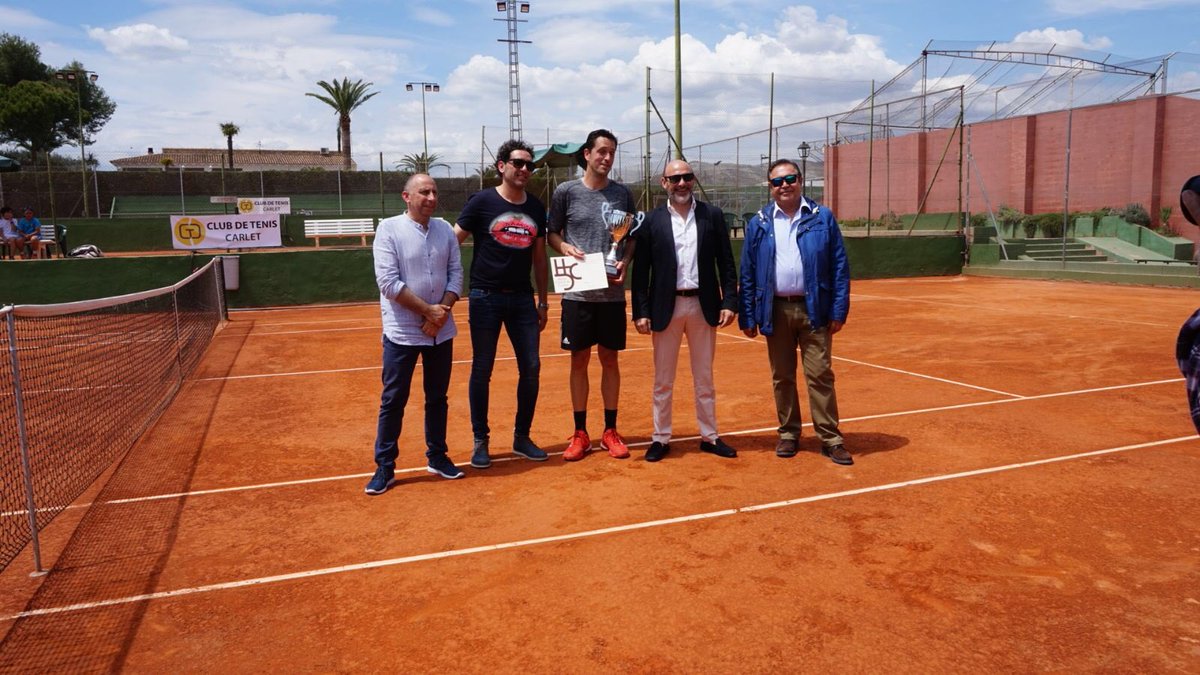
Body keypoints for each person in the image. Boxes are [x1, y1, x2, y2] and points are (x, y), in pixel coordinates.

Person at [738, 159, 853, 465]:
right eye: (777, 182)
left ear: (800, 181)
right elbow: (748, 271)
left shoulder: (821, 217)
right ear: (770, 187)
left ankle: (830, 438)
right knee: (782, 377)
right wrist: (748, 315)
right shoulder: (759, 222)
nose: (784, 185)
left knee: (820, 375)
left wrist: (838, 309)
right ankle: (789, 434)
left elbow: (839, 266)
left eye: (789, 179)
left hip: (814, 308)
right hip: (774, 310)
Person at [631, 160, 739, 462]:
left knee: (704, 377)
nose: (682, 183)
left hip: (703, 306)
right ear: (664, 183)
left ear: (693, 180)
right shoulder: (651, 221)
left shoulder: (712, 216)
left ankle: (710, 436)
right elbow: (641, 272)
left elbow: (726, 263)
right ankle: (660, 438)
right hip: (665, 307)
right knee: (663, 379)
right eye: (675, 178)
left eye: (687, 177)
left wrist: (730, 301)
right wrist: (640, 310)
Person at [365, 174, 464, 495]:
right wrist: (428, 311)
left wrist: (441, 312)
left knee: (437, 399)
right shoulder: (388, 229)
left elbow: (456, 274)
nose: (431, 197)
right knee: (393, 399)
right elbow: (389, 283)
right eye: (424, 192)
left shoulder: (445, 230)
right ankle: (385, 466)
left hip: (441, 330)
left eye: (434, 191)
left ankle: (437, 457)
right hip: (402, 333)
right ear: (406, 196)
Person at [454, 139, 550, 469]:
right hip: (485, 298)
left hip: (523, 300)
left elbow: (540, 258)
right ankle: (481, 441)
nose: (525, 169)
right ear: (502, 166)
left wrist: (543, 302)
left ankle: (522, 438)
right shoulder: (481, 202)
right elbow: (453, 240)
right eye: (518, 163)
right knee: (482, 369)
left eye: (530, 165)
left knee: (532, 368)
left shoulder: (536, 208)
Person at [547, 128, 638, 461]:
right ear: (587, 154)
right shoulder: (565, 191)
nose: (607, 158)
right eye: (601, 152)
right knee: (579, 360)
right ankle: (580, 433)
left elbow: (629, 239)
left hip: (611, 295)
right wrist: (564, 246)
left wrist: (625, 262)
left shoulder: (622, 194)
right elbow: (551, 233)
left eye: (612, 153)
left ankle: (610, 431)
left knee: (610, 360)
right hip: (578, 296)